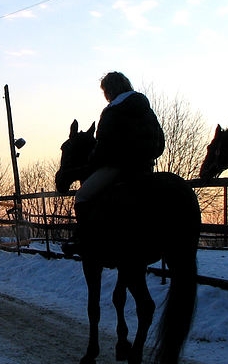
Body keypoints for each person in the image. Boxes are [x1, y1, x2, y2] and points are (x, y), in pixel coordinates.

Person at [63, 72, 165, 256]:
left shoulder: (113, 112)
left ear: (110, 90)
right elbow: (161, 142)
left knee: (82, 196)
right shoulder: (146, 109)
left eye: (105, 91)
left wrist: (90, 164)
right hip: (145, 169)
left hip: (118, 168)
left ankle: (83, 239)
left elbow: (103, 149)